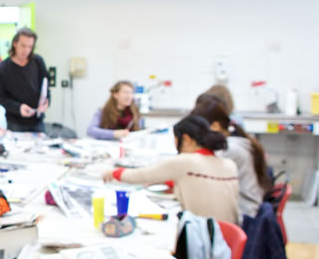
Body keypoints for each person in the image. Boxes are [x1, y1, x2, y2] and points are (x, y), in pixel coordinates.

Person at [102, 115, 240, 224]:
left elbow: (141, 175)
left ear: (186, 139)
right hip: (227, 240)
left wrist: (113, 173)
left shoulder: (185, 161)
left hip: (202, 238)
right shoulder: (229, 164)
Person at [191, 93, 272, 219]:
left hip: (243, 213)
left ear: (216, 126)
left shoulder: (230, 149)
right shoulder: (234, 138)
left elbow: (202, 174)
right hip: (244, 206)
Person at [0, 28, 49, 132]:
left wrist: (46, 102)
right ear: (15, 43)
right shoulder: (3, 68)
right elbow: (1, 97)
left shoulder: (38, 61)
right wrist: (18, 108)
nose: (26, 50)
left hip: (37, 121)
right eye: (23, 46)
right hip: (15, 122)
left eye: (30, 46)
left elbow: (46, 87)